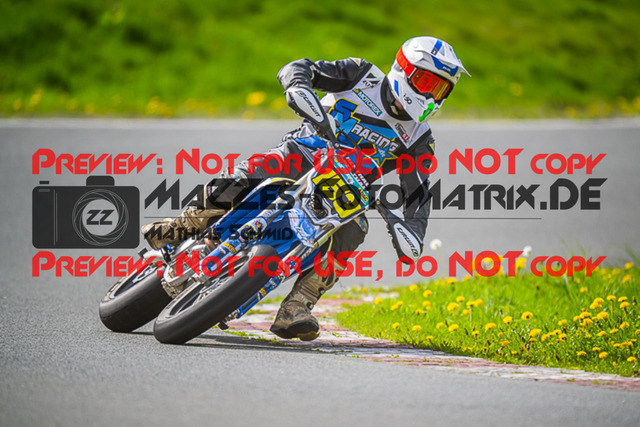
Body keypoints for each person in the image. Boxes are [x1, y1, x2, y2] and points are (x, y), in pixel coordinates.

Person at [142, 36, 469, 341]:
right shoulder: (361, 75)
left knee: (355, 229)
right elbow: (301, 68)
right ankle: (183, 225)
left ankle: (298, 304)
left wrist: (411, 229)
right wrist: (299, 85)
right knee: (254, 170)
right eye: (427, 83)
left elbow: (418, 194)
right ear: (404, 70)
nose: (431, 96)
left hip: (344, 192)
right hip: (304, 153)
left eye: (441, 89)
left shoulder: (420, 139)